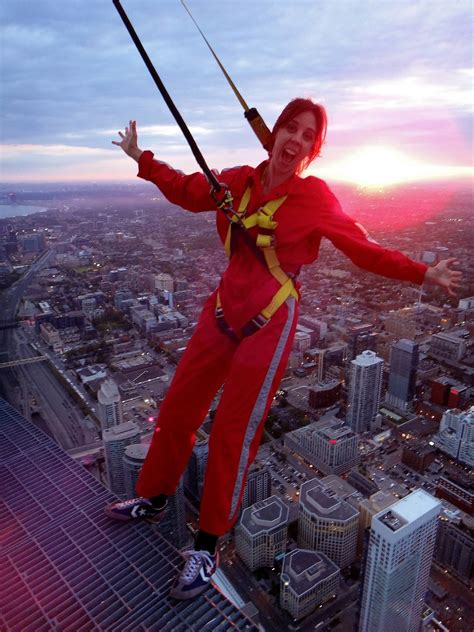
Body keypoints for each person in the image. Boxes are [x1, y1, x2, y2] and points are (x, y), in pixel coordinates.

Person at [105, 98, 461, 600]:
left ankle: (207, 546)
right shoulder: (236, 181)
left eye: (307, 136)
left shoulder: (313, 197)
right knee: (178, 407)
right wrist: (142, 158)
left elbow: (364, 249)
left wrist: (422, 271)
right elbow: (188, 190)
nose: (294, 140)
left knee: (233, 428)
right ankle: (156, 497)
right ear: (273, 133)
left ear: (312, 151)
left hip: (270, 318)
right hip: (223, 307)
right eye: (290, 128)